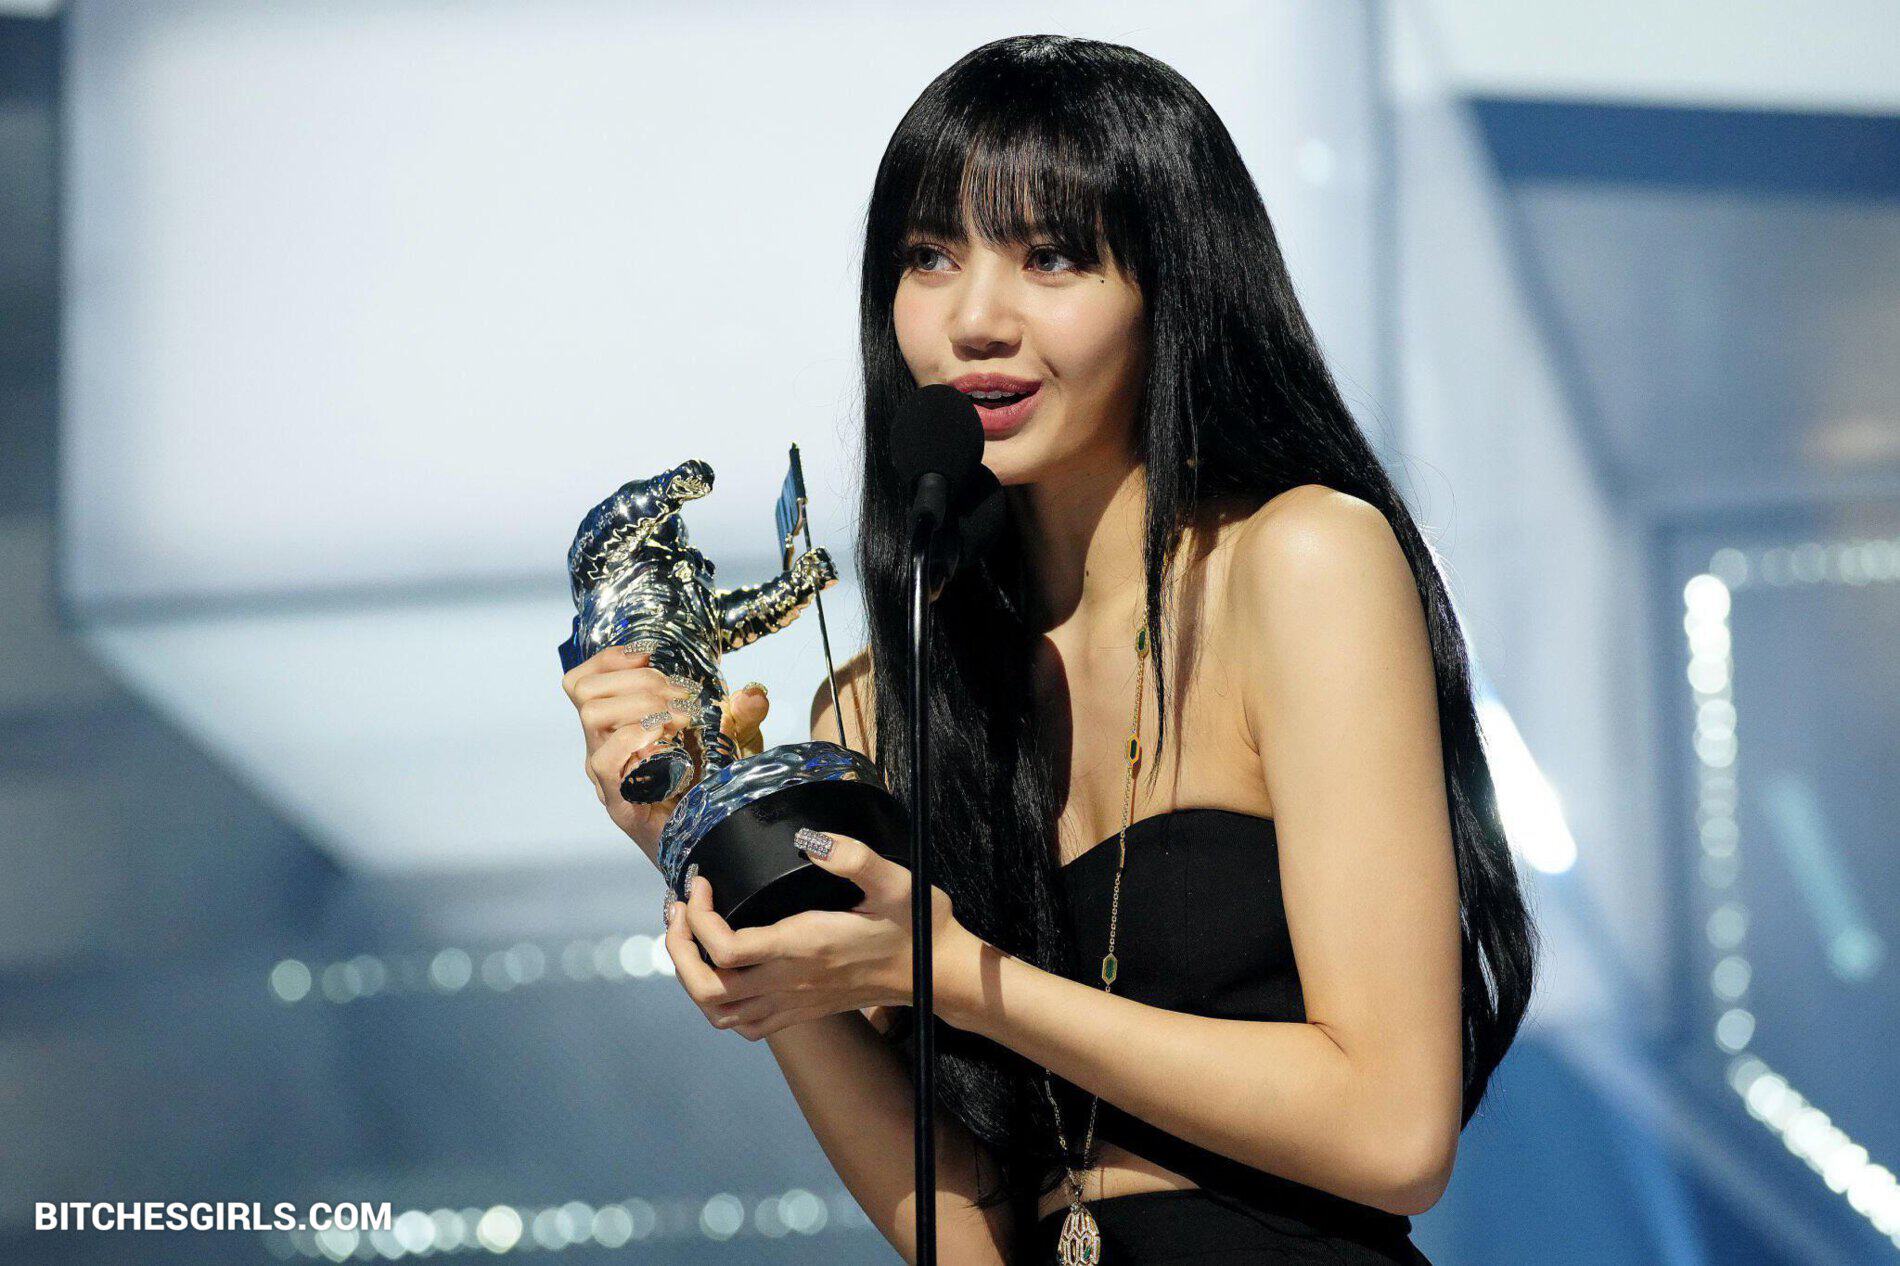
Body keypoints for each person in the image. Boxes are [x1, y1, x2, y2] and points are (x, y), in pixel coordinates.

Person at [560, 33, 1538, 1265]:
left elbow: (1394, 1133)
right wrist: (709, 854)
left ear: (1174, 285)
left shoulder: (1297, 561)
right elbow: (963, 1237)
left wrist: (960, 974)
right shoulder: (879, 702)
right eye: (930, 257)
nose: (975, 319)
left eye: (1052, 257)